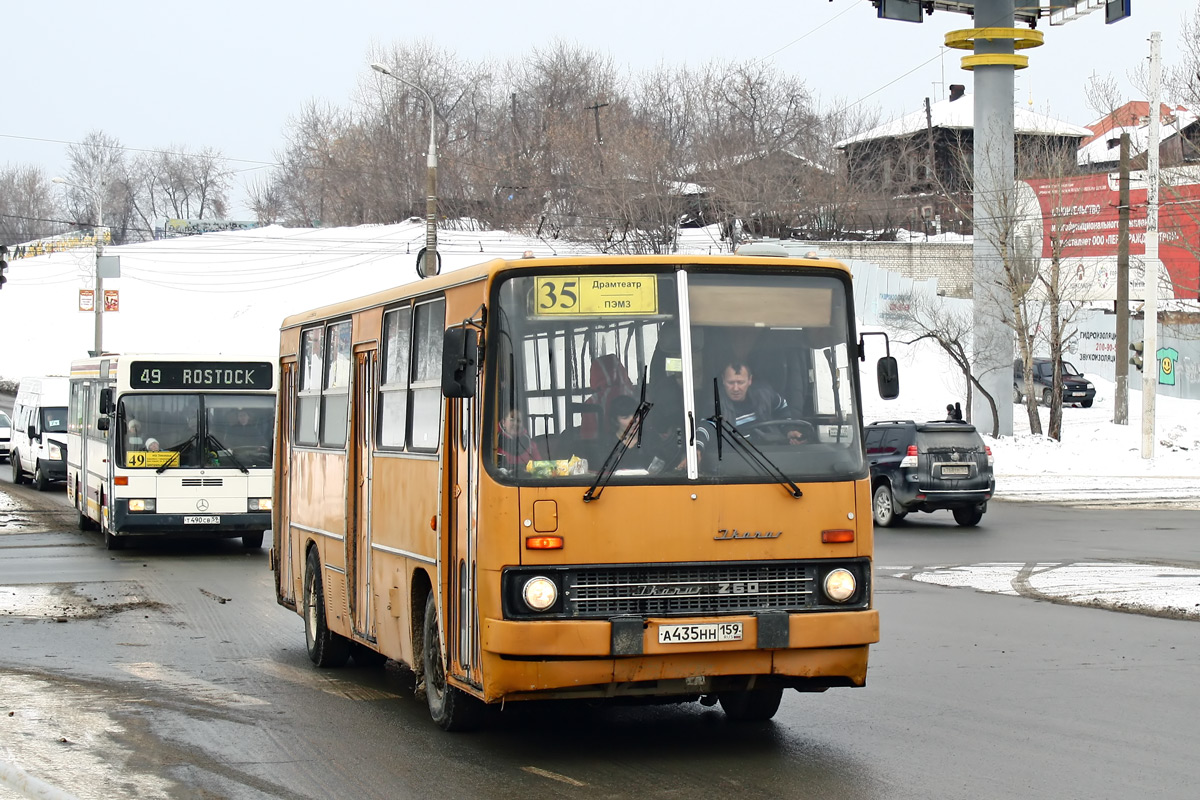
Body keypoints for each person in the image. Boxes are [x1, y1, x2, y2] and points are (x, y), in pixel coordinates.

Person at [496, 408, 540, 473]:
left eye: (519, 421)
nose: (516, 423)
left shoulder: (531, 445)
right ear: (504, 422)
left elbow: (539, 467)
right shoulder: (493, 443)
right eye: (512, 419)